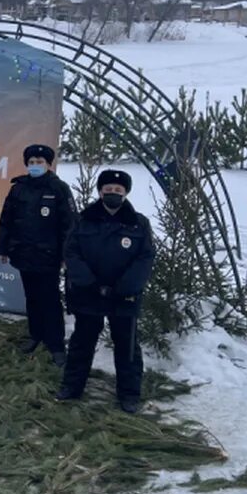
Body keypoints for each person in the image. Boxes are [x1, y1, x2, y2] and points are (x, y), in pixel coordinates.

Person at [56, 170, 156, 414]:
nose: (112, 194)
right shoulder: (84, 220)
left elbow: (145, 258)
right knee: (82, 342)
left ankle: (129, 395)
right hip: (89, 293)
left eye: (118, 191)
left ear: (125, 193)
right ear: (100, 192)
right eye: (108, 190)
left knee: (127, 346)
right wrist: (89, 283)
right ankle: (72, 387)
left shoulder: (138, 223)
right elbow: (72, 252)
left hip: (124, 296)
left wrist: (125, 287)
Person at [0, 144, 76, 366]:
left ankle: (56, 344)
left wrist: (66, 256)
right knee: (31, 298)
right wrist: (2, 248)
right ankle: (35, 335)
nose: (35, 166)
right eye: (31, 162)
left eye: (40, 162)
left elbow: (69, 225)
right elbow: (6, 220)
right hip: (24, 253)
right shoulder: (19, 188)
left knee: (50, 300)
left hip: (48, 256)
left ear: (49, 165)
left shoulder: (59, 189)